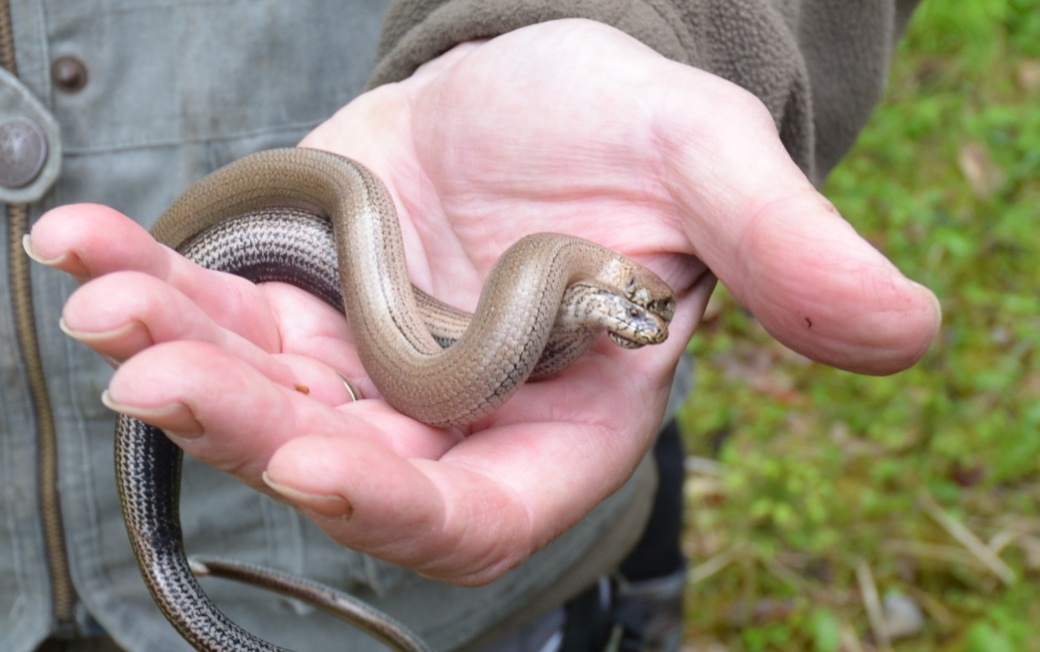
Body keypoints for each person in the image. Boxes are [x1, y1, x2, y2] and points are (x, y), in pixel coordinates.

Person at [2, 1, 940, 650]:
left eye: (625, 309)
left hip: (511, 615)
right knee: (302, 235)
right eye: (626, 304)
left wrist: (645, 24)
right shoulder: (540, 290)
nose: (632, 315)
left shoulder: (559, 299)